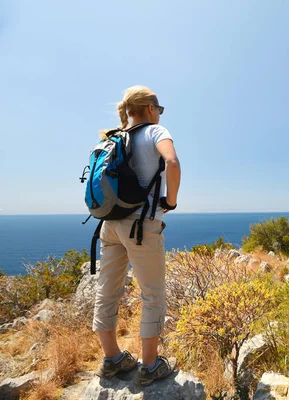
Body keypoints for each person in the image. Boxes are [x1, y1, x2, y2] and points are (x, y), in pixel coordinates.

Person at [92, 85, 181, 386]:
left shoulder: (113, 137)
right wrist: (171, 200)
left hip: (109, 225)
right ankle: (150, 366)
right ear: (152, 109)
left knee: (107, 291)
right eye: (160, 110)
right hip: (141, 226)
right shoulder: (156, 132)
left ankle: (112, 359)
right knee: (152, 294)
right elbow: (172, 162)